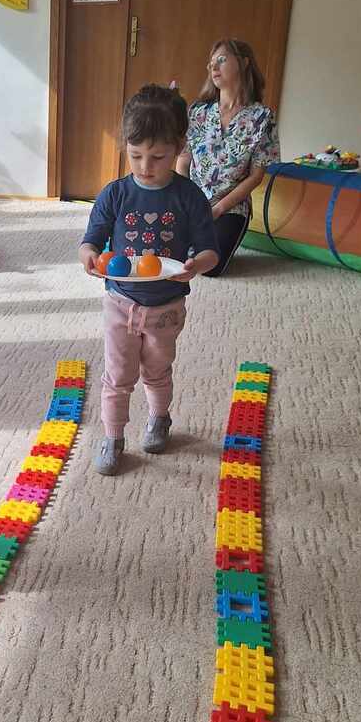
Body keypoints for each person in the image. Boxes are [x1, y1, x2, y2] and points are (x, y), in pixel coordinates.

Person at [79, 84, 219, 474]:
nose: (145, 166)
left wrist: (196, 265)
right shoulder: (115, 194)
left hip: (166, 306)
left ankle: (159, 418)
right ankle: (113, 437)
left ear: (179, 148)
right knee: (117, 374)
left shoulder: (189, 196)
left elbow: (210, 251)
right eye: (136, 155)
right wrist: (88, 254)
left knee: (157, 370)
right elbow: (91, 239)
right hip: (120, 302)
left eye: (158, 157)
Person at [176, 38, 280, 276]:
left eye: (221, 60)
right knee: (165, 249)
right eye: (210, 63)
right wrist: (187, 200)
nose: (213, 67)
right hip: (192, 202)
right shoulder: (198, 112)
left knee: (210, 267)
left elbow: (256, 176)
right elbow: (183, 161)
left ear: (244, 63)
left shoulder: (262, 117)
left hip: (230, 207)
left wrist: (217, 209)